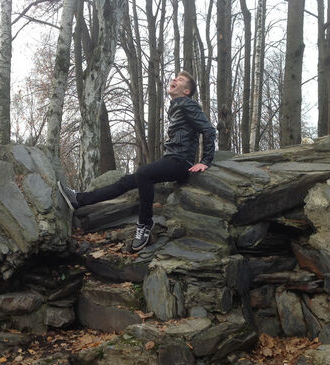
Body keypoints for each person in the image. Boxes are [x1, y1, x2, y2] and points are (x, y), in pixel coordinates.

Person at [58, 70, 216, 251]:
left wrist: (205, 160)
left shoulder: (188, 104)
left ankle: (145, 224)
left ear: (186, 91)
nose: (174, 79)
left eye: (180, 80)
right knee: (126, 181)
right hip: (171, 159)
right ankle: (79, 199)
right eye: (175, 77)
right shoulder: (176, 106)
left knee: (143, 173)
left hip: (181, 162)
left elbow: (209, 130)